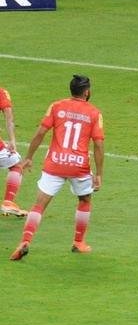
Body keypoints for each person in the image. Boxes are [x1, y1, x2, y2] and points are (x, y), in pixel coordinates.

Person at [10, 75, 104, 261]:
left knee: (39, 205)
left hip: (55, 163)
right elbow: (99, 145)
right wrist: (99, 173)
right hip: (79, 166)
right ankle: (78, 242)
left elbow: (40, 132)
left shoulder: (56, 106)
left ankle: (25, 240)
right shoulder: (94, 113)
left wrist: (29, 157)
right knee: (84, 199)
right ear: (87, 92)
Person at [0, 82, 28, 217]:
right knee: (16, 163)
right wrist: (12, 141)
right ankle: (8, 202)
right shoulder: (1, 93)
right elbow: (9, 118)